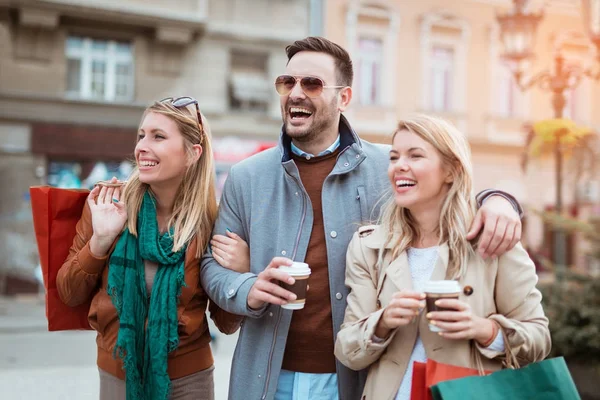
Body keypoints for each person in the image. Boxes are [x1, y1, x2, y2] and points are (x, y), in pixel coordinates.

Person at [201, 37, 524, 400]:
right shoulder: (246, 176)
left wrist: (500, 200)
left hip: (354, 380)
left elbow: (450, 196)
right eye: (287, 82)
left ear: (345, 97)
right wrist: (249, 287)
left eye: (312, 83)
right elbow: (212, 268)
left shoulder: (387, 166)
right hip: (264, 377)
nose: (295, 93)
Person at [334, 115, 551, 400]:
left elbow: (539, 340)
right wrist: (383, 322)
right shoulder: (368, 246)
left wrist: (485, 330)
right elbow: (347, 350)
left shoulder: (493, 240)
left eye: (416, 155)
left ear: (450, 170)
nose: (400, 165)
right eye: (395, 157)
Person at [56, 97, 247, 400]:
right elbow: (69, 293)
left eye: (158, 137)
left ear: (192, 153)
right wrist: (100, 241)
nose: (141, 146)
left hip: (190, 380)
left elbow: (225, 324)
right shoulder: (109, 203)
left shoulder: (213, 222)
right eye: (141, 135)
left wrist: (238, 275)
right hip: (119, 373)